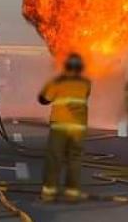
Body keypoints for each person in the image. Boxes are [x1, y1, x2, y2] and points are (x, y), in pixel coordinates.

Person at [39, 53, 91, 202]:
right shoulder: (86, 83)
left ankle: (49, 194)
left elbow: (44, 99)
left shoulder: (57, 82)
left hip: (60, 125)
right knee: (74, 159)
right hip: (78, 128)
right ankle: (72, 193)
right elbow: (86, 96)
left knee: (55, 158)